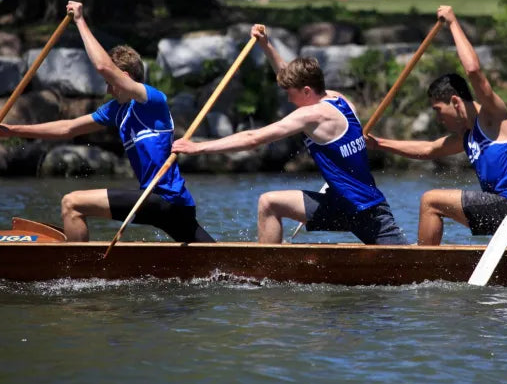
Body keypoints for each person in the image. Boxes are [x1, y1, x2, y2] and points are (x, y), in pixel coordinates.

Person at [0, 1, 215, 244]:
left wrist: (80, 21)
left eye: (111, 83)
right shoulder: (116, 110)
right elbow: (68, 128)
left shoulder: (151, 99)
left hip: (166, 200)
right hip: (157, 200)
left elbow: (103, 66)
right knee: (224, 261)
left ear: (123, 78)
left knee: (71, 204)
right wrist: (10, 130)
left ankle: (79, 274)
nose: (107, 90)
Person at [172, 24, 408, 246]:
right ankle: (269, 269)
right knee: (269, 202)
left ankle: (270, 271)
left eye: (290, 94)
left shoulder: (311, 116)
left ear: (306, 91)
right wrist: (266, 45)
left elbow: (253, 138)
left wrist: (198, 147)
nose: (287, 99)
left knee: (408, 264)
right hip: (342, 202)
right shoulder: (339, 98)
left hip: (366, 210)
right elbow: (288, 76)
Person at [366, 6, 507, 247]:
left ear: (455, 101)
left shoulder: (493, 117)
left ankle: (420, 267)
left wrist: (452, 22)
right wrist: (379, 144)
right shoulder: (467, 137)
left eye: (438, 111)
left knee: (430, 201)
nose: (439, 119)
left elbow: (473, 70)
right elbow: (429, 150)